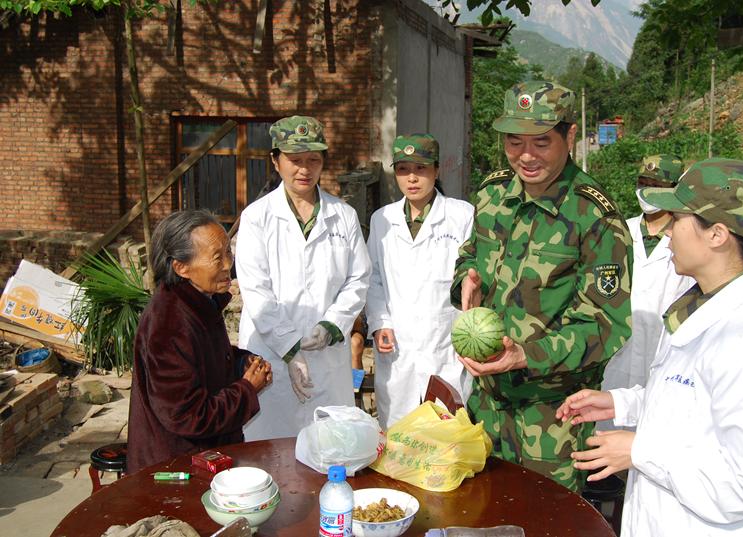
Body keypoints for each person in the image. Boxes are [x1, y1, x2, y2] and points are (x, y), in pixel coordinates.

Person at [557, 158, 743, 536]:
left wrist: (640, 451)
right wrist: (623, 403)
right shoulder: (701, 307)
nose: (668, 232)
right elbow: (692, 408)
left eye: (678, 219)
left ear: (717, 234)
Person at [450, 80, 633, 491]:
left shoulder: (594, 216)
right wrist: (467, 282)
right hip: (487, 405)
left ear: (569, 136)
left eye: (541, 142)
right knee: (481, 514)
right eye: (514, 143)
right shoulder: (493, 195)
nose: (526, 156)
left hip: (552, 420)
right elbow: (469, 253)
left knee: (547, 524)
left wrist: (525, 355)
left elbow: (605, 326)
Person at [236, 115, 370, 440]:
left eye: (313, 160)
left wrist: (332, 326)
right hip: (270, 356)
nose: (304, 170)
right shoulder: (257, 218)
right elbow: (257, 292)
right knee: (269, 453)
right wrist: (290, 348)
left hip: (327, 358)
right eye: (294, 160)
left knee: (328, 450)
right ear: (275, 161)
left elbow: (359, 279)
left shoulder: (344, 216)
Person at [128, 210, 271, 473]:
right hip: (178, 466)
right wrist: (247, 390)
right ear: (181, 267)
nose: (228, 264)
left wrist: (240, 362)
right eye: (217, 258)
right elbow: (187, 416)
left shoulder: (198, 302)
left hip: (209, 456)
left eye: (228, 253)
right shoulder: (169, 321)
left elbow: (202, 359)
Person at [366, 133, 474, 430]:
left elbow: (473, 278)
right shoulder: (382, 219)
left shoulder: (462, 216)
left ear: (436, 170)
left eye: (421, 169)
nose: (412, 179)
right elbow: (373, 277)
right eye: (403, 170)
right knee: (399, 441)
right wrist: (379, 322)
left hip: (445, 348)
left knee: (446, 439)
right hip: (397, 351)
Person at [601, 155, 695, 395]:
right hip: (617, 359)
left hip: (665, 358)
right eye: (642, 183)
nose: (646, 191)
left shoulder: (688, 238)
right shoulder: (619, 231)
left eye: (657, 186)